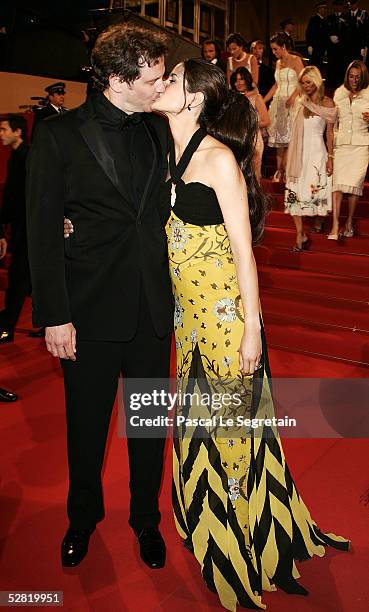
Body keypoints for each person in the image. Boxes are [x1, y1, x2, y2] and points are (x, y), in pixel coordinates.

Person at [152, 57, 349, 611]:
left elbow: (245, 253)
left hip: (224, 322)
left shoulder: (217, 160)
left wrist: (251, 334)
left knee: (232, 435)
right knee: (199, 428)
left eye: (172, 81)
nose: (163, 86)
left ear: (193, 98)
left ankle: (244, 541)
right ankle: (208, 522)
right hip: (188, 322)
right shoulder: (167, 148)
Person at [26, 25, 173, 569]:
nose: (161, 87)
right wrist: (54, 316)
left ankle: (145, 521)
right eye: (154, 79)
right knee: (85, 427)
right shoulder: (59, 135)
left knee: (148, 427)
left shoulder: (160, 132)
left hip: (152, 311)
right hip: (86, 312)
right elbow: (41, 229)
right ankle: (82, 519)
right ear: (118, 79)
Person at [284, 66, 337, 250]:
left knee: (317, 187)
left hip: (317, 152)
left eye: (309, 82)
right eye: (303, 83)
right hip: (299, 153)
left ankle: (319, 218)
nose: (306, 86)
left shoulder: (328, 103)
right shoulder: (300, 102)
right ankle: (300, 234)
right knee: (294, 190)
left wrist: (331, 157)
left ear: (316, 80)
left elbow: (330, 133)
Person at [328, 60, 369, 239]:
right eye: (351, 76)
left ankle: (349, 221)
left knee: (353, 186)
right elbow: (332, 123)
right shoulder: (339, 93)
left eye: (357, 77)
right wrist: (330, 151)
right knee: (336, 185)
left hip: (361, 145)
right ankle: (335, 225)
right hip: (342, 144)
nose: (354, 80)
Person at [0, 115, 30, 344]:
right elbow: (10, 198)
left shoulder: (29, 157)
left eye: (4, 129)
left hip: (30, 230)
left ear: (17, 132)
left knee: (18, 278)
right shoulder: (13, 158)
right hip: (19, 228)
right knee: (22, 278)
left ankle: (7, 328)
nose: (1, 134)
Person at [264, 32, 304, 181]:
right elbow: (277, 85)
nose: (274, 53)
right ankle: (279, 171)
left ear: (284, 47)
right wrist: (263, 99)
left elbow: (302, 81)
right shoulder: (279, 63)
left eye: (275, 49)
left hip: (293, 101)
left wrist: (293, 97)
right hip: (279, 102)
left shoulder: (296, 60)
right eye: (272, 50)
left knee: (289, 138)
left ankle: (287, 170)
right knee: (279, 139)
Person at [230, 67, 271, 181]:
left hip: (254, 139)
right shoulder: (233, 99)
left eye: (241, 79)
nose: (239, 82)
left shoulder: (256, 98)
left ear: (247, 80)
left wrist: (249, 125)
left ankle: (254, 198)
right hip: (237, 139)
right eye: (236, 80)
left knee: (253, 174)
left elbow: (266, 120)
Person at [326, 0, 350, 88]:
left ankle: (343, 84)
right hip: (332, 49)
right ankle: (333, 85)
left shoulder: (347, 17)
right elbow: (325, 31)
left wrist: (340, 39)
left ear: (342, 7)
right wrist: (330, 37)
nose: (337, 8)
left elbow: (350, 33)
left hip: (343, 48)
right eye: (335, 6)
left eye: (339, 5)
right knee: (332, 67)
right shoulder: (329, 18)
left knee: (343, 68)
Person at [305, 2, 330, 72]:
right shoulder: (314, 20)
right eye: (323, 8)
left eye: (325, 8)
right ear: (318, 9)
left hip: (323, 48)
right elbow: (309, 33)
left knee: (322, 67)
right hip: (315, 48)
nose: (325, 10)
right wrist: (309, 45)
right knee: (315, 66)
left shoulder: (325, 20)